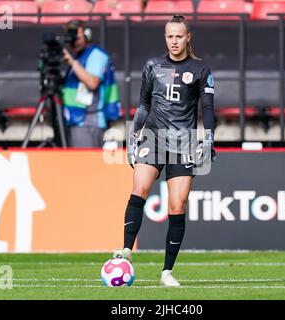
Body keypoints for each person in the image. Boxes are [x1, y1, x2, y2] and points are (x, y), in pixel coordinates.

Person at [113, 15, 216, 287]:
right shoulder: (152, 66)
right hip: (153, 137)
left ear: (188, 37)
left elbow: (207, 108)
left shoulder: (201, 69)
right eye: (170, 36)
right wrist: (133, 136)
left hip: (184, 143)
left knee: (177, 205)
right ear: (165, 37)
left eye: (179, 36)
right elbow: (144, 104)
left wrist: (208, 138)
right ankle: (125, 251)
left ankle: (166, 273)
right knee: (139, 190)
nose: (174, 41)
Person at [62, 20, 121, 147]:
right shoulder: (80, 56)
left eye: (77, 37)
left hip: (88, 120)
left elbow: (92, 82)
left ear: (87, 35)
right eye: (71, 38)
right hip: (77, 118)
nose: (74, 42)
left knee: (84, 165)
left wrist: (72, 63)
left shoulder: (96, 55)